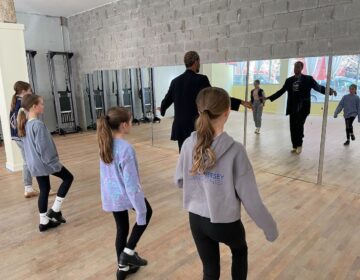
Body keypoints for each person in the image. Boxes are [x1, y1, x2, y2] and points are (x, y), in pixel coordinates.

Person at [175, 87, 278, 280]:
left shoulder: (189, 144)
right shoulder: (236, 151)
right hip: (225, 223)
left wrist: (202, 184)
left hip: (196, 220)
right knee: (240, 251)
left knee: (210, 271)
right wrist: (270, 228)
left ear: (199, 111)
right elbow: (252, 201)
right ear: (227, 112)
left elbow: (179, 180)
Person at [97, 107, 152, 280]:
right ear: (123, 125)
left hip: (112, 194)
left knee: (121, 228)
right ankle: (128, 253)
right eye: (130, 121)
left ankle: (122, 268)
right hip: (125, 194)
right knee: (146, 213)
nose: (132, 123)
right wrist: (140, 208)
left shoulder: (105, 142)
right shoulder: (126, 149)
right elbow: (131, 183)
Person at [160, 51, 251, 152]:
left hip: (180, 127)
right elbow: (215, 97)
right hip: (195, 126)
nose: (199, 64)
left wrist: (162, 109)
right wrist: (241, 102)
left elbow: (166, 100)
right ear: (195, 62)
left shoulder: (175, 82)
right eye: (199, 61)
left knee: (184, 156)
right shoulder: (200, 79)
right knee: (199, 157)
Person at [17, 94, 74, 232]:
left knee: (44, 189)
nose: (43, 106)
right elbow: (45, 149)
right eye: (41, 104)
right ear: (34, 107)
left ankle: (43, 222)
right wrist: (54, 164)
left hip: (34, 165)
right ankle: (55, 210)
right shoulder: (38, 125)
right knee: (68, 178)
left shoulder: (25, 124)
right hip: (45, 163)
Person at [266, 61, 336, 154]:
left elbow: (319, 87)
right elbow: (281, 91)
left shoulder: (308, 79)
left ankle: (299, 145)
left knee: (299, 126)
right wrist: (268, 98)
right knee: (293, 127)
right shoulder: (289, 80)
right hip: (292, 107)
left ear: (301, 68)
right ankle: (294, 146)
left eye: (298, 67)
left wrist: (330, 91)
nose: (296, 69)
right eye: (295, 67)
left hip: (303, 108)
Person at [9, 81, 37, 198]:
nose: (31, 93)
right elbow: (25, 121)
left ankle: (29, 188)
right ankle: (30, 188)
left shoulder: (14, 102)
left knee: (28, 161)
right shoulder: (23, 103)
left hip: (16, 137)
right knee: (32, 161)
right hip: (23, 137)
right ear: (24, 91)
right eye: (30, 91)